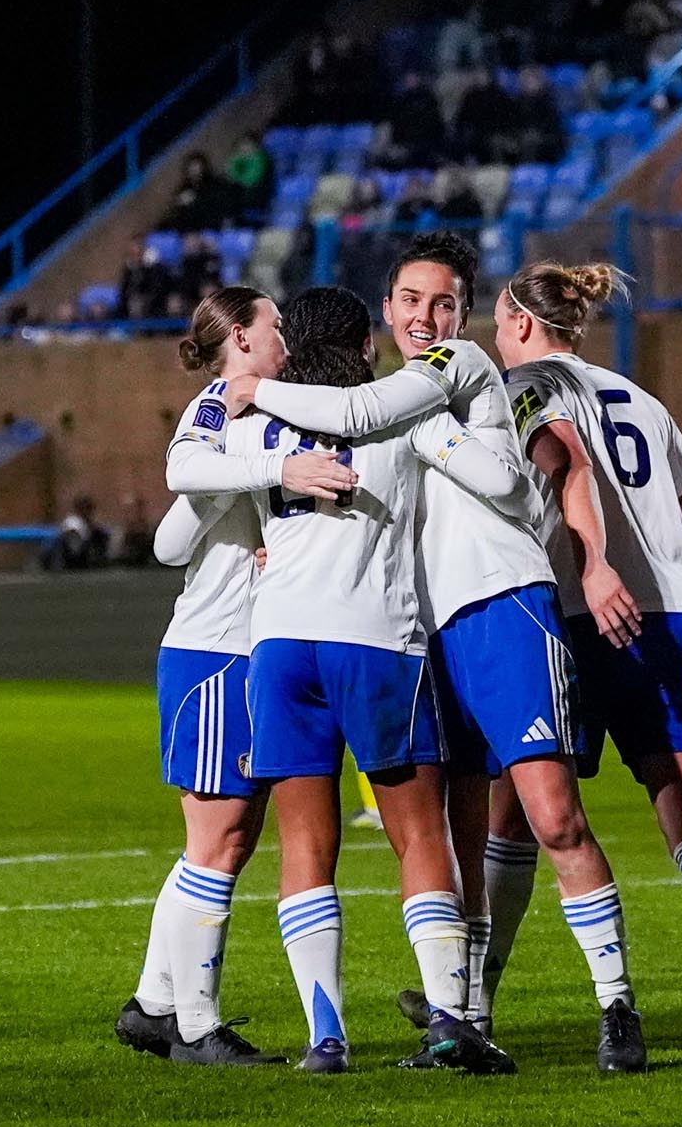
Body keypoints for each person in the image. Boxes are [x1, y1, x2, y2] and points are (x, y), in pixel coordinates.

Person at [224, 232, 644, 1071]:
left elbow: (509, 481)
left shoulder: (457, 367)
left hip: (501, 607)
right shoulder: (394, 394)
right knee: (462, 832)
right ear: (385, 311)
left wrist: (256, 392)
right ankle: (466, 1013)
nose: (426, 315)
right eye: (411, 301)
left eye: (442, 301)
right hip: (424, 631)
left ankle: (618, 1007)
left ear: (464, 312)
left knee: (554, 814)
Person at [208, 284, 525, 1076]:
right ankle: (451, 1017)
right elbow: (501, 483)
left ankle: (327, 1038)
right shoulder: (402, 413)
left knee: (305, 846)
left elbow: (189, 509)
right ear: (362, 346)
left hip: (279, 643)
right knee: (420, 835)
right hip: (376, 642)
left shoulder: (256, 426)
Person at [495, 261, 682, 1050]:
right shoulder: (637, 397)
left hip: (576, 611)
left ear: (517, 323)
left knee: (519, 803)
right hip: (675, 613)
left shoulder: (524, 388)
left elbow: (564, 462)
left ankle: (469, 1001)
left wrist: (592, 560)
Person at [119, 285, 357, 1068]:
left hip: (241, 649)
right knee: (217, 841)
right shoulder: (222, 403)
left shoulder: (258, 411)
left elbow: (170, 536)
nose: (283, 333)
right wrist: (278, 469)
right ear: (241, 340)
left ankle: (156, 1003)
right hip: (217, 649)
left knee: (226, 836)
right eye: (272, 323)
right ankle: (195, 1022)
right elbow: (184, 466)